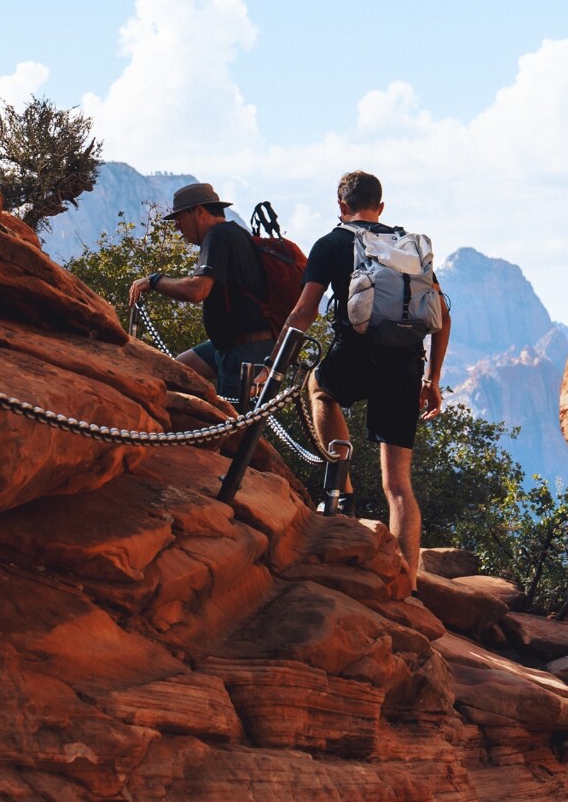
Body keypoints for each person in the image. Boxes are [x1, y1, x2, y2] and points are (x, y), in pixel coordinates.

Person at [283, 171, 449, 581]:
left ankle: (343, 488)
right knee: (398, 485)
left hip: (356, 352)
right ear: (382, 206)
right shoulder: (409, 246)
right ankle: (408, 583)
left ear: (342, 206)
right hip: (406, 362)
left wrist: (275, 362)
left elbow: (304, 311)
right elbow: (442, 317)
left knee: (320, 389)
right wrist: (433, 379)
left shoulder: (332, 242)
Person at [128, 183, 275, 403]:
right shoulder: (235, 233)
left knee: (233, 431)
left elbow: (197, 290)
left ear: (199, 211)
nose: (177, 226)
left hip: (244, 353)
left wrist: (155, 281)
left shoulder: (218, 235)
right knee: (176, 371)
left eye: (180, 218)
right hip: (230, 347)